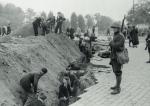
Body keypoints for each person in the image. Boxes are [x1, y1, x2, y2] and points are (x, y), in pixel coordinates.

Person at [109, 23, 125, 95]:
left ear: (118, 28)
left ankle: (118, 89)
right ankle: (117, 85)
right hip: (113, 56)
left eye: (115, 28)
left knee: (118, 72)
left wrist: (111, 42)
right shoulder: (116, 35)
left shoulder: (121, 36)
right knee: (115, 71)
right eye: (113, 28)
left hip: (118, 57)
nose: (113, 29)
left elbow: (117, 46)